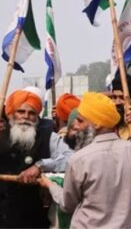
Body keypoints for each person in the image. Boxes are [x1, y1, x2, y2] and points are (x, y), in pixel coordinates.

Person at [41, 92, 131, 228]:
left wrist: (50, 185)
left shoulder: (79, 160)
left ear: (97, 124)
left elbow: (68, 205)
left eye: (80, 121)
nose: (75, 125)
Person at [0, 89, 73, 227]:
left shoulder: (47, 137)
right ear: (11, 114)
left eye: (32, 113)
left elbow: (72, 158)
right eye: (21, 112)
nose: (26, 116)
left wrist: (40, 166)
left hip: (33, 218)